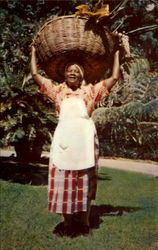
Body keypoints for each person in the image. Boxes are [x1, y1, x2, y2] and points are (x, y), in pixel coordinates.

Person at [30, 33, 130, 237]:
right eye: (70, 70)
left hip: (85, 142)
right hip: (64, 142)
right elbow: (34, 74)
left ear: (82, 74)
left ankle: (84, 223)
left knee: (84, 180)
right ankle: (67, 223)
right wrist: (32, 51)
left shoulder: (91, 91)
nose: (73, 72)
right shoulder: (56, 91)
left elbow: (114, 78)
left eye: (77, 70)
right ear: (65, 74)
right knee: (63, 178)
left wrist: (117, 52)